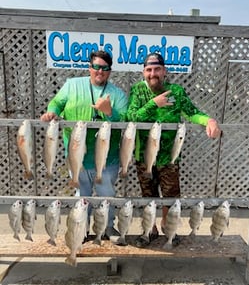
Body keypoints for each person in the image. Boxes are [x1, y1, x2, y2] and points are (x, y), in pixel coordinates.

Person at [127, 52, 221, 247]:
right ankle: (149, 230)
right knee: (148, 196)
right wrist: (154, 104)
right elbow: (132, 117)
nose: (153, 73)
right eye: (149, 70)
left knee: (170, 196)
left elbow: (193, 113)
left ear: (164, 71)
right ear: (144, 72)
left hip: (170, 157)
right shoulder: (137, 90)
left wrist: (209, 121)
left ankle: (167, 228)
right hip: (144, 156)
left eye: (157, 69)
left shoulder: (176, 92)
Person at [40, 50, 128, 240]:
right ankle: (82, 230)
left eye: (105, 68)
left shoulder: (117, 94)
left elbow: (126, 121)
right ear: (90, 67)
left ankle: (107, 228)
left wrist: (109, 112)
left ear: (110, 71)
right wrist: (51, 112)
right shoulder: (72, 85)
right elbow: (56, 103)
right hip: (76, 156)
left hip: (107, 158)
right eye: (96, 66)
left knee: (107, 196)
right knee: (82, 197)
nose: (100, 71)